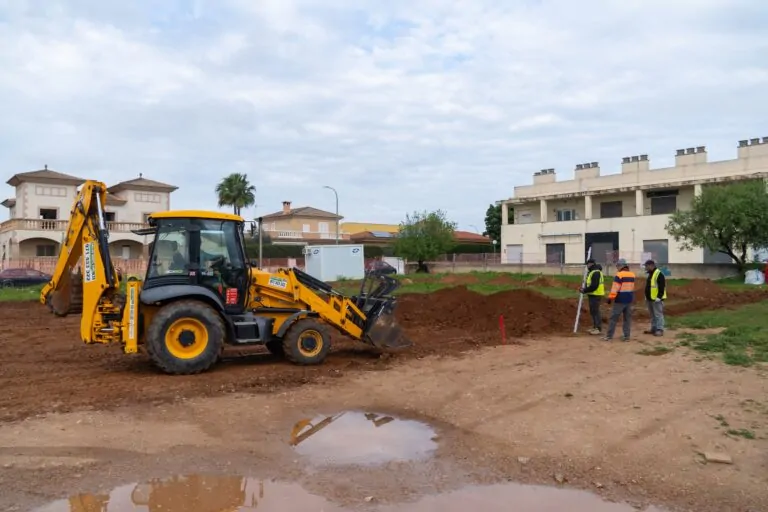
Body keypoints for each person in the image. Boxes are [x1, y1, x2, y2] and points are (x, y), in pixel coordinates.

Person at [602, 258, 635, 342]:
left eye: (617, 266)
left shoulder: (619, 275)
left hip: (620, 299)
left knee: (613, 318)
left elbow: (615, 288)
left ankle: (609, 336)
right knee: (627, 319)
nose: (617, 268)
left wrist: (610, 298)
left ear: (621, 266)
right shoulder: (632, 275)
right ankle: (627, 337)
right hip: (629, 299)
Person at [579, 258, 605, 335]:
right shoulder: (592, 272)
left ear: (590, 264)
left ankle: (598, 328)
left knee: (595, 311)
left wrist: (585, 290)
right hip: (592, 294)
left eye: (587, 264)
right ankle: (595, 327)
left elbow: (594, 286)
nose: (587, 266)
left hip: (596, 294)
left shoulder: (595, 272)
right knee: (593, 311)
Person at [643, 259, 666, 336]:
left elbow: (662, 286)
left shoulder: (658, 274)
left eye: (646, 266)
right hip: (650, 298)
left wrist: (659, 297)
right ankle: (654, 328)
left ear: (651, 265)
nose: (645, 268)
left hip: (656, 299)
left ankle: (660, 329)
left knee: (658, 314)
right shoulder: (650, 274)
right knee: (652, 315)